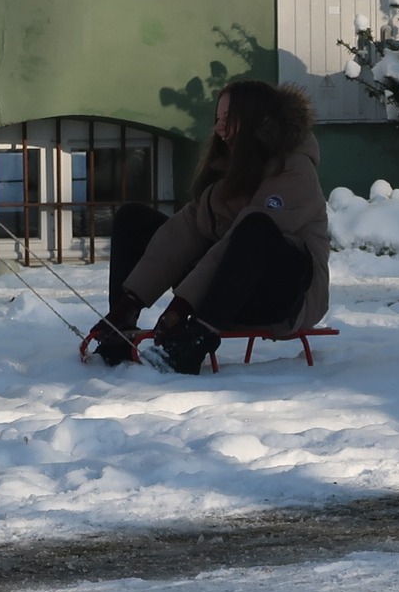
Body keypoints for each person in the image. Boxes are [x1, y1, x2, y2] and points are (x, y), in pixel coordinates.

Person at [88, 80, 330, 374]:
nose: (218, 127)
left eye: (229, 119)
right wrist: (130, 302)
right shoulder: (231, 167)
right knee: (133, 218)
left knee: (256, 227)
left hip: (287, 297)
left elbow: (244, 240)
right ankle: (119, 333)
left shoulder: (294, 169)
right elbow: (186, 229)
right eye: (217, 118)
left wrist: (181, 307)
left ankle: (197, 340)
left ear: (255, 120)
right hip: (225, 288)